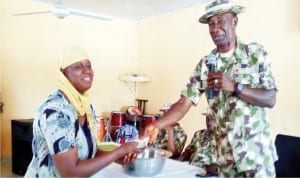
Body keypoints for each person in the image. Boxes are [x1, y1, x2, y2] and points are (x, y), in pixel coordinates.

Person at [143, 0, 278, 177]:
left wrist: (235, 87)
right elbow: (184, 102)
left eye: (221, 21)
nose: (215, 29)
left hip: (256, 156)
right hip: (225, 160)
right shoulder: (206, 64)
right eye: (211, 24)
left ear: (234, 21)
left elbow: (270, 99)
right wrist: (158, 125)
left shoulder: (255, 53)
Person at [25, 46, 144, 177]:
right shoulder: (56, 111)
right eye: (78, 66)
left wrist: (117, 157)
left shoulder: (85, 107)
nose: (87, 70)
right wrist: (118, 152)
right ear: (63, 74)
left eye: (89, 65)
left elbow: (90, 153)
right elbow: (71, 173)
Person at [177, 112, 218, 176]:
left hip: (209, 173)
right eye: (207, 119)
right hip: (191, 169)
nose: (209, 122)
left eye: (212, 119)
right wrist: (175, 163)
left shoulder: (224, 138)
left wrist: (216, 169)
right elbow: (187, 152)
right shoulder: (199, 134)